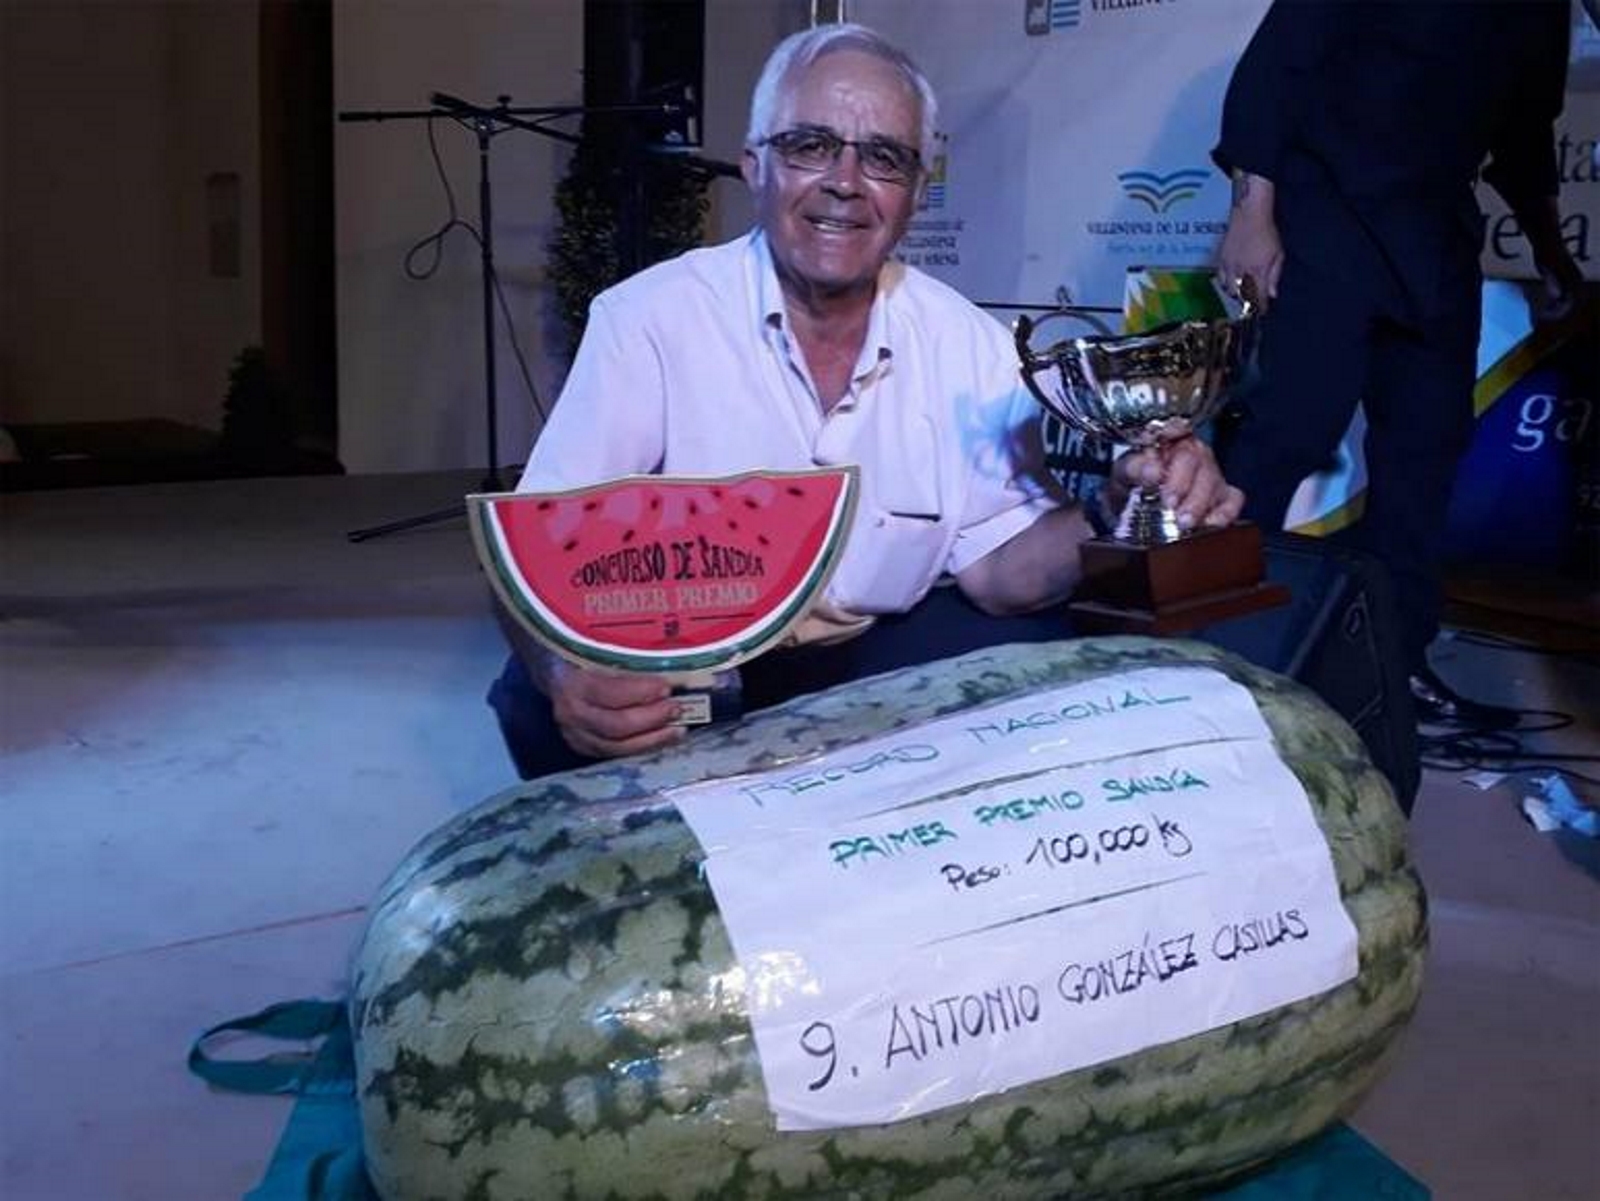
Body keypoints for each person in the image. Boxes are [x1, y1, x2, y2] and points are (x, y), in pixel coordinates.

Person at [488, 22, 1243, 778]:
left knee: (1047, 655)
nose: (845, 182)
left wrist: (1115, 506)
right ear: (755, 167)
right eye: (810, 145)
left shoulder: (969, 343)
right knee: (534, 695)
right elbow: (535, 553)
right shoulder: (648, 321)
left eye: (883, 157)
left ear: (916, 191)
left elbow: (998, 571)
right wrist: (565, 676)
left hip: (867, 657)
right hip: (692, 672)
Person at [1212, 0, 1584, 727]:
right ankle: (1217, 659)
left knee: (1427, 454)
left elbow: (1521, 135)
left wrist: (1551, 249)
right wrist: (1251, 216)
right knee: (1287, 433)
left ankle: (1396, 667)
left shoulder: (1543, 10)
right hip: (1330, 214)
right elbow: (1273, 70)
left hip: (1436, 233)